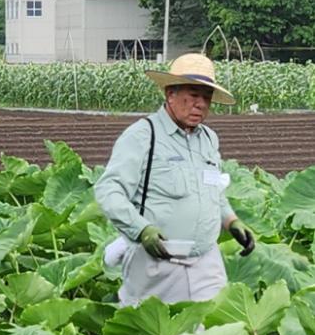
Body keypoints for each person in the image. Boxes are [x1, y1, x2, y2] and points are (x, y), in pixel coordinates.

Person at [94, 53, 254, 306]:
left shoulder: (208, 138)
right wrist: (141, 229)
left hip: (206, 263)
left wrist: (231, 220)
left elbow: (213, 189)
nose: (200, 104)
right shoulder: (144, 135)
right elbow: (108, 190)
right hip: (157, 264)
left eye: (206, 97)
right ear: (170, 94)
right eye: (193, 95)